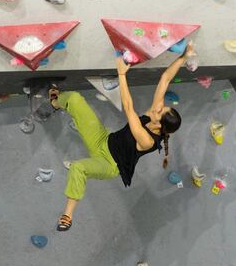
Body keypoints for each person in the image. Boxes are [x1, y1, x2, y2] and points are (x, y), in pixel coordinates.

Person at [49, 42, 194, 232]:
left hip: (109, 164)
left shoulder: (147, 140)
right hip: (103, 140)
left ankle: (67, 215)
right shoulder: (154, 115)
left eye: (160, 111)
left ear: (159, 125)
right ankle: (55, 102)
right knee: (74, 99)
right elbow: (165, 79)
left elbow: (128, 106)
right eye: (162, 107)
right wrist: (183, 57)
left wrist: (122, 74)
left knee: (78, 168)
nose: (158, 106)